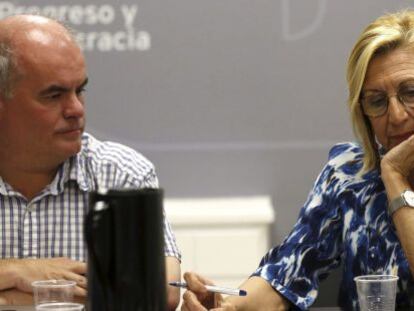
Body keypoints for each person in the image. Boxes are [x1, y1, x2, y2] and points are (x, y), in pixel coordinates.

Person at [181, 9, 414, 310]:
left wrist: (394, 176)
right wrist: (228, 306)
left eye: (410, 92)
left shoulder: (387, 170)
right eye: (377, 101)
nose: (395, 116)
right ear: (363, 113)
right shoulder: (349, 173)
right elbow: (286, 274)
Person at [0, 14, 181, 309]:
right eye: (54, 95)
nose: (75, 109)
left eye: (79, 90)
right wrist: (16, 270)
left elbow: (162, 290)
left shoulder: (120, 173)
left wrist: (9, 297)